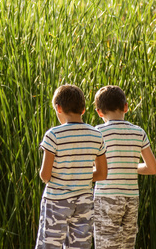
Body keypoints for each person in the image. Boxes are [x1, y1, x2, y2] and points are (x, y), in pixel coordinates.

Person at [35, 84, 107, 249]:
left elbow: (45, 175)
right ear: (83, 109)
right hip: (84, 201)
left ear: (58, 108)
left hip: (56, 202)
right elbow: (102, 174)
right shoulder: (96, 135)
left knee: (49, 245)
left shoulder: (53, 135)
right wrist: (81, 176)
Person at [93, 85, 156, 249]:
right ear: (126, 107)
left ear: (99, 112)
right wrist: (128, 166)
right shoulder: (138, 132)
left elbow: (91, 167)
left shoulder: (97, 133)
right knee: (127, 244)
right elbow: (152, 168)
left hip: (106, 197)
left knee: (105, 243)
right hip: (131, 198)